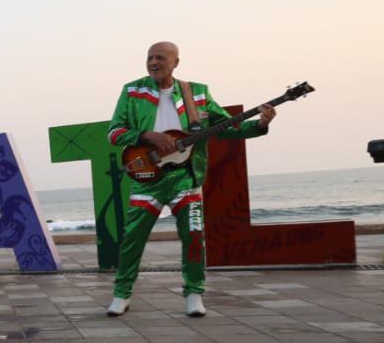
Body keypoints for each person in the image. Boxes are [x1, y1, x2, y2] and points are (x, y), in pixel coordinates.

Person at [107, 41, 276, 318]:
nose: (153, 63)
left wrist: (259, 125)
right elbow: (114, 133)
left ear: (176, 62)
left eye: (160, 58)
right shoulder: (132, 91)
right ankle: (121, 294)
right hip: (147, 176)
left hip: (186, 177)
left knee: (195, 236)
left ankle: (194, 293)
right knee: (132, 239)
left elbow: (226, 127)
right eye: (150, 58)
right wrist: (148, 136)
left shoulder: (196, 93)